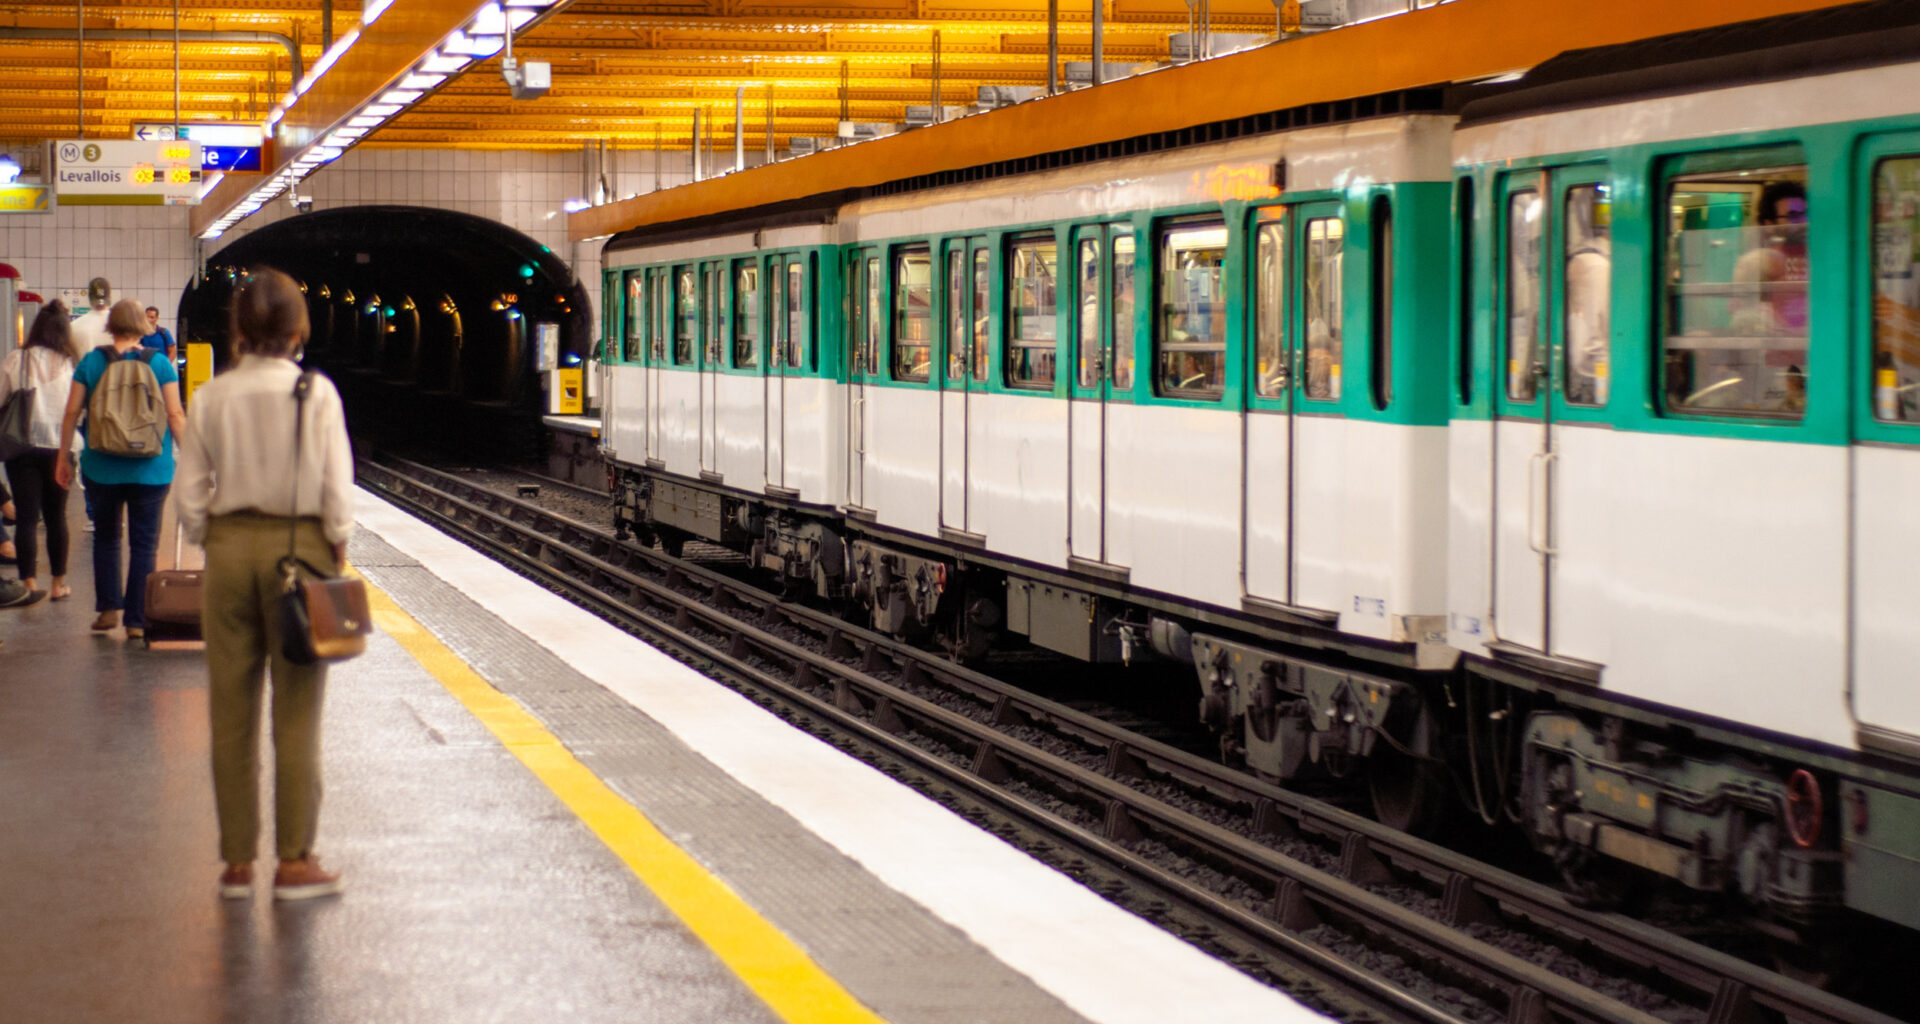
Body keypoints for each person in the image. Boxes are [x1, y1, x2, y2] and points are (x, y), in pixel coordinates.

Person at [175, 267, 354, 901]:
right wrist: (336, 550)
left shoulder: (212, 396)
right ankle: (294, 863)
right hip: (300, 552)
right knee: (297, 715)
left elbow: (189, 492)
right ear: (298, 328)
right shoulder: (316, 393)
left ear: (239, 329)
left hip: (228, 552)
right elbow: (337, 492)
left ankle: (236, 864)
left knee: (230, 713)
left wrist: (213, 538)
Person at [54, 299, 187, 640]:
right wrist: (191, 458)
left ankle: (108, 609)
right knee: (144, 545)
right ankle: (136, 621)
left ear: (110, 325)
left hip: (102, 467)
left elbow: (71, 413)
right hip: (151, 469)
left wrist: (63, 457)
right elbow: (175, 414)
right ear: (142, 325)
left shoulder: (92, 362)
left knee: (107, 537)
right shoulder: (159, 363)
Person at [0, 300, 83, 606]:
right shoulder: (71, 364)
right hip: (61, 448)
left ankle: (28, 584)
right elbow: (80, 409)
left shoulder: (16, 359)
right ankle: (58, 584)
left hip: (22, 446)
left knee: (26, 517)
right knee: (56, 517)